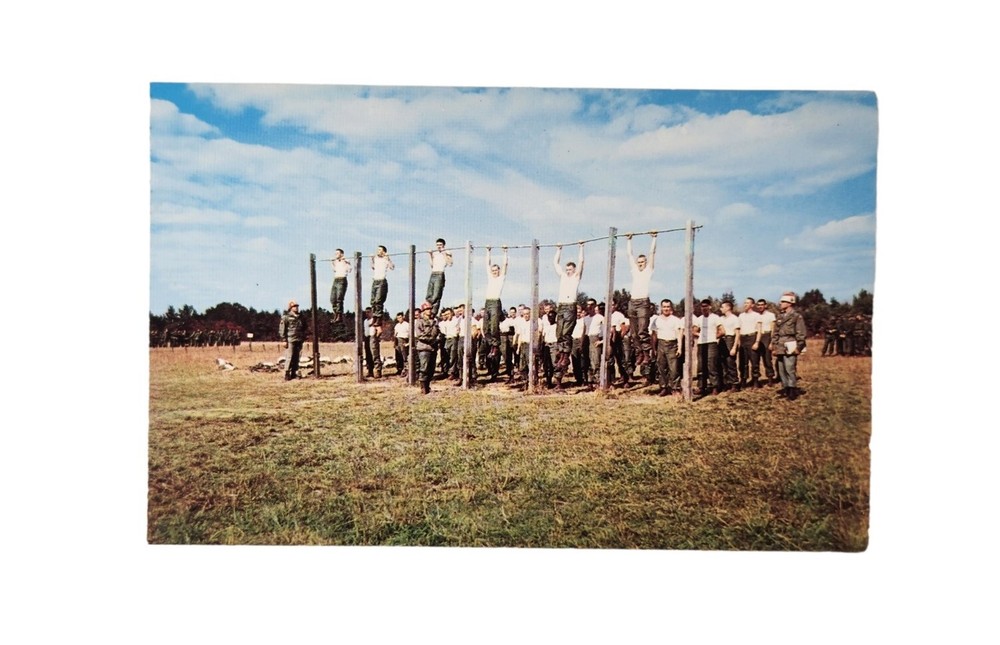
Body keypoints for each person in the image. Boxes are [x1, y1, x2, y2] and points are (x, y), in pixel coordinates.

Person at [552, 243, 584, 386]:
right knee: (559, 333)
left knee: (566, 333)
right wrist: (559, 250)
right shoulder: (563, 277)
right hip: (561, 306)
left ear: (574, 270)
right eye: (567, 269)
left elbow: (582, 262)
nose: (568, 271)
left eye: (570, 269)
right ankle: (562, 355)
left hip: (570, 306)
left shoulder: (576, 277)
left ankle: (565, 357)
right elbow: (555, 263)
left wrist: (581, 247)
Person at [625, 232, 657, 372]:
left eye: (642, 262)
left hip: (643, 302)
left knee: (643, 330)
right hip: (632, 302)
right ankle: (639, 353)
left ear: (646, 263)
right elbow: (629, 255)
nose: (640, 264)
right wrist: (629, 240)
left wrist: (654, 238)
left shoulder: (648, 270)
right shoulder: (634, 271)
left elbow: (652, 253)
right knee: (634, 333)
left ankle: (646, 354)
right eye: (639, 263)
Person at [772, 292, 808, 400]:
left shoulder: (797, 316)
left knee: (790, 368)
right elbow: (776, 332)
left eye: (783, 301)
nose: (781, 303)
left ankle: (792, 390)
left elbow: (801, 333)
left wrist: (799, 347)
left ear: (790, 303)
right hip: (780, 345)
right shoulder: (780, 316)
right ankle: (785, 388)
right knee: (781, 368)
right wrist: (774, 345)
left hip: (791, 343)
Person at [482, 246, 509, 382]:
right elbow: (487, 264)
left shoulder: (501, 278)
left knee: (493, 326)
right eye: (493, 270)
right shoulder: (490, 277)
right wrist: (488, 251)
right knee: (485, 327)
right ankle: (491, 345)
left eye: (495, 270)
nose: (494, 272)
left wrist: (505, 252)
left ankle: (495, 346)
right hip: (487, 302)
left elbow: (505, 265)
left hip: (495, 302)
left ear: (499, 271)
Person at [692, 299, 723, 396]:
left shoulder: (715, 318)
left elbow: (722, 331)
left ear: (710, 307)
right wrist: (700, 335)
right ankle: (701, 387)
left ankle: (715, 387)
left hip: (712, 344)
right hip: (701, 344)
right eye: (702, 306)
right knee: (701, 366)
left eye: (706, 306)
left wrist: (713, 336)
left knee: (711, 365)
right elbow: (694, 331)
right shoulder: (699, 319)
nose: (704, 308)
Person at [414, 301, 440, 394]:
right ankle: (423, 387)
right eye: (427, 309)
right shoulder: (419, 322)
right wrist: (432, 340)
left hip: (433, 347)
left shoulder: (434, 321)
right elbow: (420, 336)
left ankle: (428, 385)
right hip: (424, 348)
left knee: (431, 369)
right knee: (424, 368)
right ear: (423, 311)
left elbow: (437, 332)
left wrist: (438, 338)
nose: (429, 311)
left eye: (430, 309)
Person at [738, 297, 764, 388]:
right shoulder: (741, 316)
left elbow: (759, 330)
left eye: (747, 303)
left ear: (752, 305)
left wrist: (757, 342)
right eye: (744, 303)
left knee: (754, 361)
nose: (745, 304)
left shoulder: (756, 315)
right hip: (743, 339)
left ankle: (756, 381)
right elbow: (738, 329)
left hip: (752, 337)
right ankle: (743, 380)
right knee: (743, 362)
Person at [278, 300, 307, 381]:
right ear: (290, 308)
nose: (296, 307)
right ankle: (287, 373)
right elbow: (282, 329)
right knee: (289, 356)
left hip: (299, 339)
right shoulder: (286, 317)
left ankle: (294, 372)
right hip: (290, 339)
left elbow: (304, 327)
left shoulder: (301, 317)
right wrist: (284, 340)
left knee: (297, 357)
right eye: (294, 306)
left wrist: (303, 336)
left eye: (297, 306)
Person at [426, 238, 453, 317]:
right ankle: (428, 310)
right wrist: (430, 255)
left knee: (436, 295)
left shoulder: (447, 252)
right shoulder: (435, 253)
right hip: (433, 273)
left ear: (444, 245)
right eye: (437, 245)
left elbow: (450, 263)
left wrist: (444, 253)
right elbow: (432, 265)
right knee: (429, 294)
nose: (438, 247)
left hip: (440, 274)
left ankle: (433, 313)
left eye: (440, 245)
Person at [718, 300, 741, 391]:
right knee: (723, 363)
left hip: (730, 339)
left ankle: (734, 384)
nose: (721, 309)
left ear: (728, 307)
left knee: (730, 362)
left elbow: (737, 334)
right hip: (722, 340)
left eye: (722, 307)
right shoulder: (721, 319)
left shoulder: (734, 318)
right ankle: (726, 383)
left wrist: (734, 347)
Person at [370, 245, 395, 327]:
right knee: (373, 301)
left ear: (384, 251)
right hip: (375, 281)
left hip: (381, 281)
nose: (378, 251)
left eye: (380, 250)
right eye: (377, 249)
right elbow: (372, 267)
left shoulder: (385, 259)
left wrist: (388, 259)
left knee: (378, 301)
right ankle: (374, 317)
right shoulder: (376, 259)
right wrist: (371, 259)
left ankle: (378, 318)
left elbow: (392, 267)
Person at [756, 298, 778, 385]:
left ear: (765, 306)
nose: (760, 306)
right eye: (759, 305)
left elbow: (773, 329)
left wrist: (771, 342)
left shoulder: (770, 315)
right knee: (756, 358)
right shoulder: (756, 315)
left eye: (762, 305)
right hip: (758, 336)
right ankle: (756, 379)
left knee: (767, 358)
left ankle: (770, 378)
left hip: (766, 336)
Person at [330, 248, 352, 323]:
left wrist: (346, 262)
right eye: (335, 253)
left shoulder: (346, 261)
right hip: (335, 280)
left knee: (339, 298)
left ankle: (339, 315)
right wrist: (332, 262)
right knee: (332, 299)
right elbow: (334, 270)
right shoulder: (336, 262)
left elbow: (349, 270)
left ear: (341, 254)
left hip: (342, 280)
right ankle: (336, 314)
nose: (335, 255)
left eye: (337, 253)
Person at [393, 311, 410, 376]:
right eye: (398, 318)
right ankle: (399, 369)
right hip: (398, 340)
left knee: (404, 356)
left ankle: (405, 370)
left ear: (403, 317)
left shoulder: (407, 324)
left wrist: (408, 343)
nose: (399, 319)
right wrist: (395, 343)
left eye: (400, 317)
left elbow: (409, 335)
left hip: (404, 340)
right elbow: (395, 334)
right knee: (398, 356)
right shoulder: (397, 325)